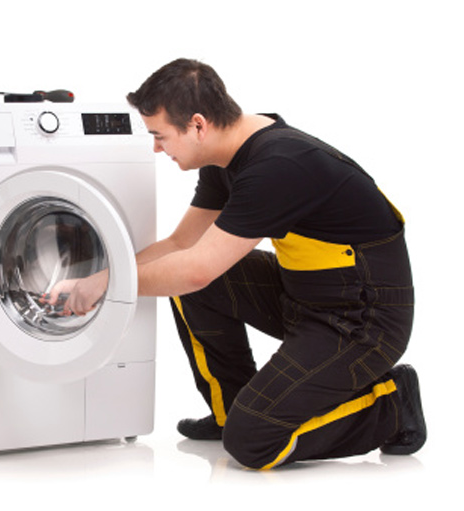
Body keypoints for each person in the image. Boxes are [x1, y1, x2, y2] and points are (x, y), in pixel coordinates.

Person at [46, 58, 426, 469]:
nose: (156, 148)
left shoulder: (277, 166)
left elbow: (196, 270)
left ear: (197, 125)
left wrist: (107, 286)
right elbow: (181, 245)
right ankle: (231, 411)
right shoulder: (225, 157)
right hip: (304, 294)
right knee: (184, 279)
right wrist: (100, 276)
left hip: (363, 318)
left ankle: (391, 405)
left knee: (254, 442)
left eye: (160, 136)